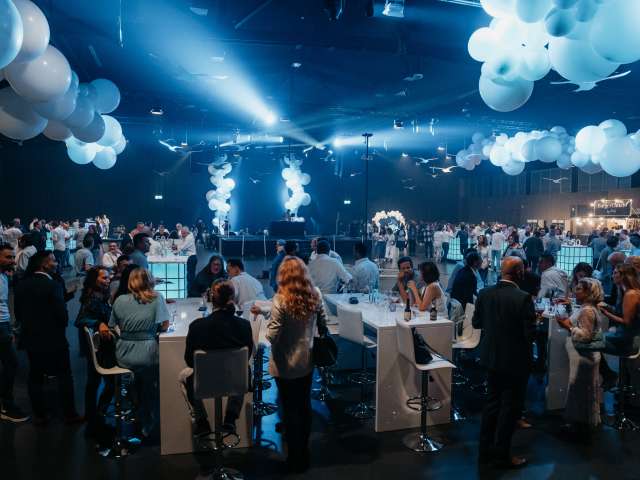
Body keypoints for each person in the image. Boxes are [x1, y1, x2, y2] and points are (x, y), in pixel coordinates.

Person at [262, 256, 328, 473]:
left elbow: (273, 334)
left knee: (289, 408)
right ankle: (304, 452)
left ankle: (294, 456)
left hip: (284, 362)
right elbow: (323, 323)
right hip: (306, 360)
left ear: (283, 275)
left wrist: (263, 333)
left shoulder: (280, 299)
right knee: (304, 405)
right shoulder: (315, 294)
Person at [474, 257, 535, 469]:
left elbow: (476, 323)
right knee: (509, 409)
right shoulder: (523, 298)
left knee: (491, 405)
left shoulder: (484, 293)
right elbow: (529, 336)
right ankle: (502, 455)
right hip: (515, 361)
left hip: (491, 357)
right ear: (519, 272)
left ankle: (484, 451)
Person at [14, 251, 81, 424]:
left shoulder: (21, 284)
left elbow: (18, 313)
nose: (56, 263)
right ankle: (69, 414)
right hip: (54, 338)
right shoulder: (53, 285)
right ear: (44, 264)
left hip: (31, 338)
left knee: (35, 376)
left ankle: (40, 415)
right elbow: (61, 314)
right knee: (64, 375)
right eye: (53, 261)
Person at [180, 280, 254, 436]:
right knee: (242, 368)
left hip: (204, 383)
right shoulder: (244, 326)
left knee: (183, 376)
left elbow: (189, 361)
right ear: (233, 298)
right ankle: (231, 417)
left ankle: (201, 421)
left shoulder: (197, 326)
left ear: (212, 299)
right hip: (235, 382)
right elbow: (247, 357)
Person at [109, 268, 170, 438]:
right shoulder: (156, 298)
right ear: (149, 281)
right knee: (151, 381)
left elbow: (113, 324)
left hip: (124, 353)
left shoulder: (119, 299)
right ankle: (147, 419)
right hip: (147, 352)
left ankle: (134, 402)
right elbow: (165, 326)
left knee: (139, 378)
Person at [555, 278, 604, 432]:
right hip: (585, 355)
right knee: (583, 389)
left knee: (580, 390)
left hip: (584, 356)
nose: (575, 292)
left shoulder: (587, 310)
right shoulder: (588, 307)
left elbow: (585, 335)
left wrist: (568, 327)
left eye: (579, 289)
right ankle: (583, 422)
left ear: (588, 292)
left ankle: (579, 425)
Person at [75, 266, 115, 437]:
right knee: (107, 383)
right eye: (104, 278)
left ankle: (93, 415)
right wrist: (99, 323)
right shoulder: (92, 298)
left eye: (108, 277)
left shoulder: (97, 295)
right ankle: (97, 415)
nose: (108, 280)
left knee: (94, 383)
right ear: (94, 280)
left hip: (97, 348)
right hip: (99, 349)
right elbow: (80, 320)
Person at [0, 244, 28, 422]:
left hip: (4, 325)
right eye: (7, 257)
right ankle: (6, 405)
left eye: (12, 257)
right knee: (11, 363)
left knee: (10, 364)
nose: (12, 260)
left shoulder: (4, 276)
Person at [599, 263, 640, 356]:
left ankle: (603, 366)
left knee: (584, 341)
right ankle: (603, 365)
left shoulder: (631, 294)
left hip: (628, 342)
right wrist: (606, 306)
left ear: (624, 276)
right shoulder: (625, 292)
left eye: (615, 273)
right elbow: (620, 313)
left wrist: (605, 312)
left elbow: (626, 322)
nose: (612, 276)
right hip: (622, 335)